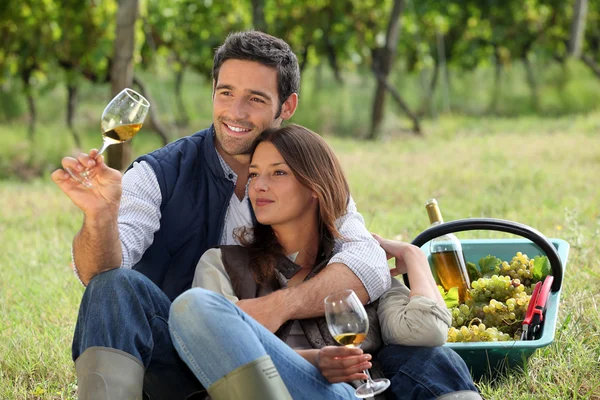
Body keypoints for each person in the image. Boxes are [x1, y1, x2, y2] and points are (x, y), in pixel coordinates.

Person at [51, 31, 392, 399]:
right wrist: (101, 218)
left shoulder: (305, 173)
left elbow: (368, 263)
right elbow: (94, 274)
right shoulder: (158, 174)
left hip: (275, 364)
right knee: (112, 285)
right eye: (226, 92)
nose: (236, 112)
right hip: (177, 368)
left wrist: (270, 310)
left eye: (256, 99)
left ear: (287, 106)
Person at [168, 125, 482, 400]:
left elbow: (425, 333)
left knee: (438, 360)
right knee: (195, 306)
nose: (259, 185)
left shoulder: (358, 264)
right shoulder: (222, 262)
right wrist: (314, 360)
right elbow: (209, 350)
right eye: (253, 174)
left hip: (343, 396)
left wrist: (414, 256)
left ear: (314, 187)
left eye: (278, 172)